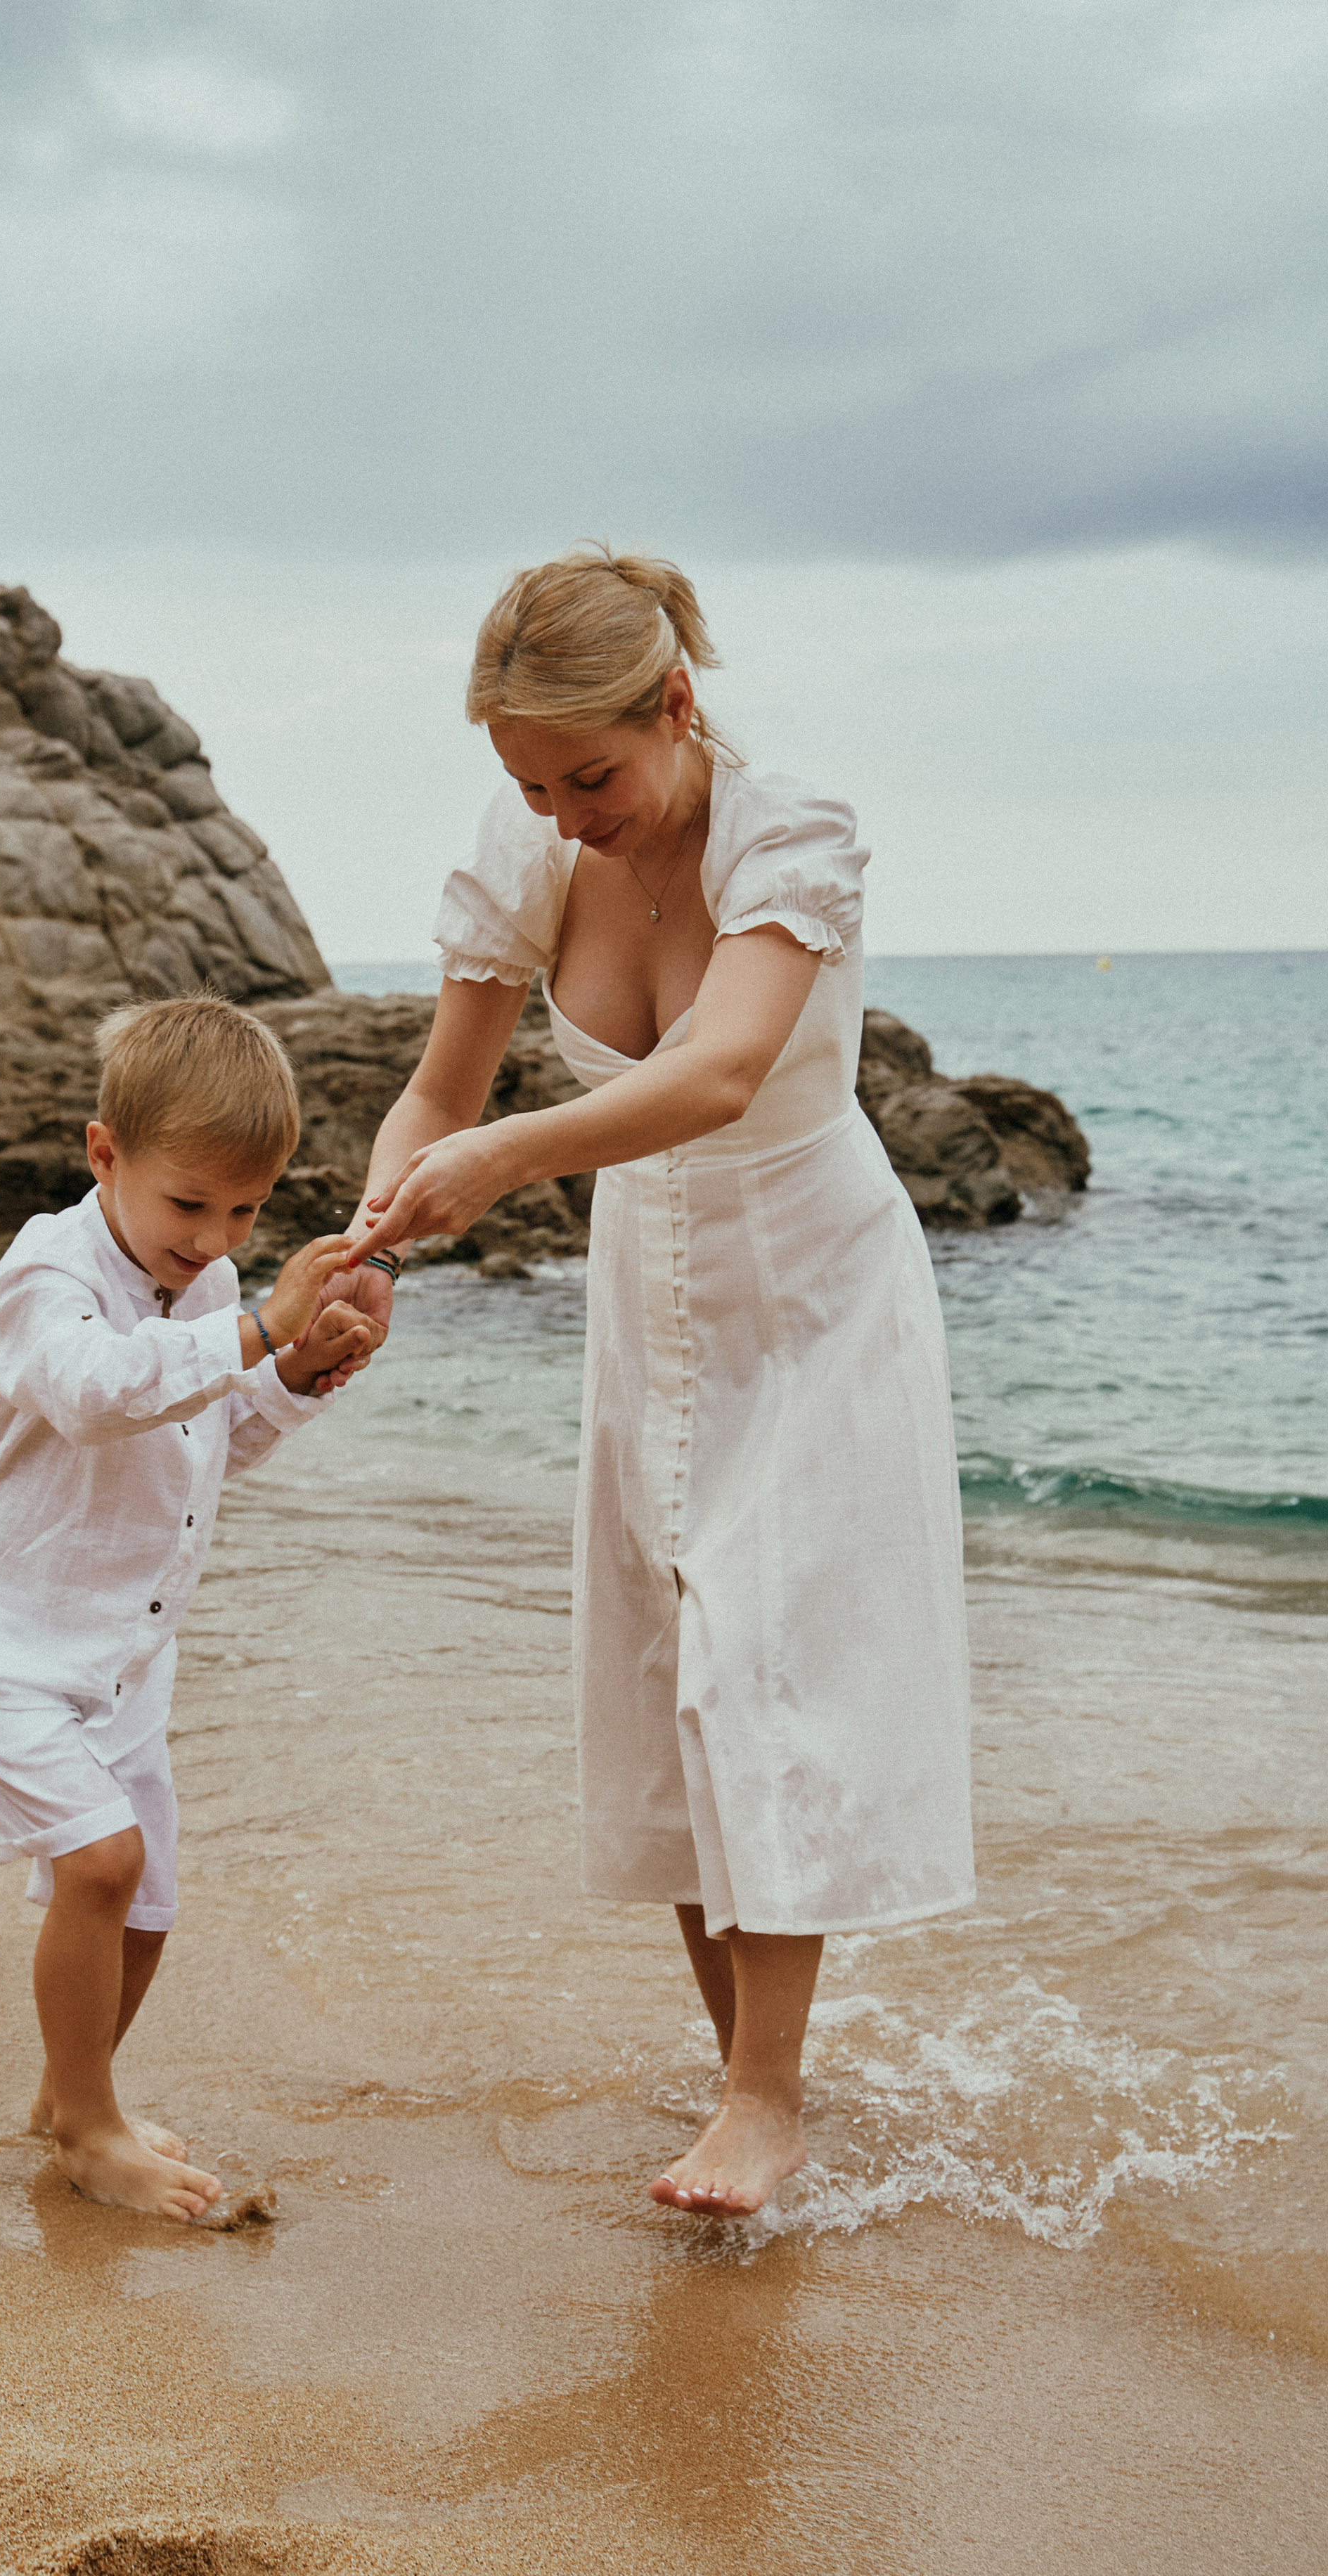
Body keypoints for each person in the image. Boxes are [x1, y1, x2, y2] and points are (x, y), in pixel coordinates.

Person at [344, 546, 975, 2220]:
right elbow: (434, 1096)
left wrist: (491, 1167)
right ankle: (745, 2087)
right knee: (669, 1680)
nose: (562, 816)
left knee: (766, 1664)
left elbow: (713, 1074)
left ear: (677, 709)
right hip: (646, 1285)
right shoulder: (530, 850)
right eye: (529, 784)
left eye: (588, 776)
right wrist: (367, 1245)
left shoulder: (790, 834)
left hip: (811, 1283)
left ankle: (765, 2101)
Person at [0, 996, 380, 2223]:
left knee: (148, 1904)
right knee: (100, 1864)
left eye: (247, 1210)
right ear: (104, 1153)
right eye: (189, 1203)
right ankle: (94, 2133)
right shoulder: (47, 1270)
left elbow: (209, 1437)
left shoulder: (209, 1279)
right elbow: (94, 1393)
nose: (215, 1234)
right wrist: (258, 1320)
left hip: (118, 1658)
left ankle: (70, 2094)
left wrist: (301, 1370)